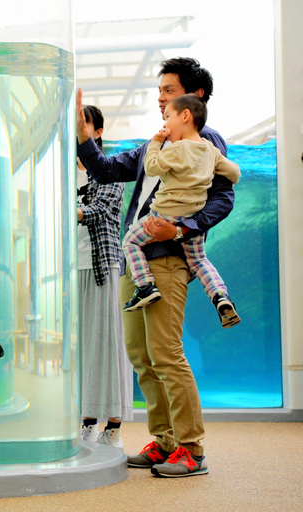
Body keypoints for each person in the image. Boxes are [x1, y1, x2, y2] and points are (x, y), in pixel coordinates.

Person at [77, 57, 234, 478]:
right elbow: (107, 168)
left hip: (167, 258)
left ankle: (191, 448)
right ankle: (165, 440)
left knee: (166, 353)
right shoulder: (158, 141)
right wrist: (82, 137)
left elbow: (223, 198)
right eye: (159, 91)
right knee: (141, 355)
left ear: (194, 97)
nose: (160, 98)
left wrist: (181, 227)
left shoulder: (206, 142)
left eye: (168, 90)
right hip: (137, 258)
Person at [121, 94, 241, 330]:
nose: (165, 123)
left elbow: (152, 166)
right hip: (191, 221)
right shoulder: (211, 150)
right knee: (199, 260)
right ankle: (220, 296)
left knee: (130, 243)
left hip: (162, 217)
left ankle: (145, 285)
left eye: (168, 117)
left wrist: (156, 141)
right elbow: (235, 173)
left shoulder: (177, 149)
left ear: (185, 116)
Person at [76, 105, 134, 448]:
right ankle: (87, 420)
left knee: (110, 344)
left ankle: (113, 426)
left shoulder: (109, 170)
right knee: (85, 348)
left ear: (97, 132)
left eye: (84, 126)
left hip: (106, 266)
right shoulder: (65, 172)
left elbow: (101, 210)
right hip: (75, 270)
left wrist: (73, 211)